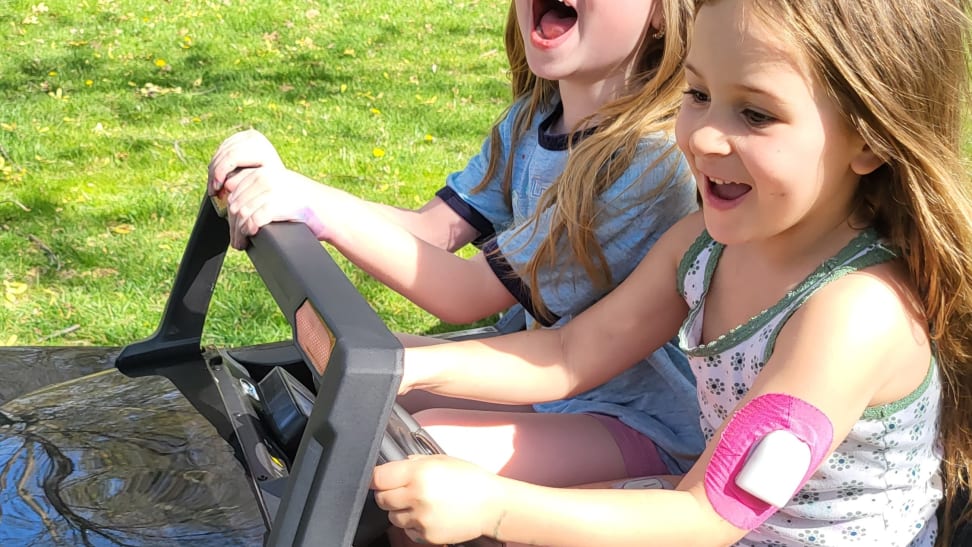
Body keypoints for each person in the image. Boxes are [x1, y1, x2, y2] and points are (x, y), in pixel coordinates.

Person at [368, 0, 972, 545]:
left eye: (756, 114)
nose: (704, 136)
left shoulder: (854, 313)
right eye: (699, 95)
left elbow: (710, 513)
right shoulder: (702, 249)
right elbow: (572, 353)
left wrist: (496, 508)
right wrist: (414, 363)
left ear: (868, 139)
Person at [207, 0, 705, 492]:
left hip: (648, 419)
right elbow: (431, 231)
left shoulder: (648, 163)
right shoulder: (532, 120)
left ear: (663, 12)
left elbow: (466, 294)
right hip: (550, 385)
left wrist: (316, 206)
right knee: (361, 397)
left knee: (414, 458)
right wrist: (295, 190)